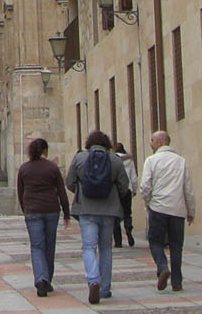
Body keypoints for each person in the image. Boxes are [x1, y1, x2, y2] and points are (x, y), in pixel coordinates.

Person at [65, 129, 131, 304]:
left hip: (86, 210)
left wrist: (82, 192)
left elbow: (69, 182)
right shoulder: (115, 161)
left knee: (88, 247)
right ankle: (104, 288)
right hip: (109, 210)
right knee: (106, 248)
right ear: (107, 144)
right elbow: (125, 186)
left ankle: (93, 280)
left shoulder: (80, 158)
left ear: (89, 143)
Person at [137, 129, 196, 292]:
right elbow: (188, 189)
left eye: (152, 141)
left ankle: (162, 267)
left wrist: (148, 203)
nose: (150, 144)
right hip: (177, 210)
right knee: (176, 245)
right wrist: (191, 211)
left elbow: (145, 186)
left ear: (161, 142)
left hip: (158, 208)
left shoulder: (151, 161)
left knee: (155, 242)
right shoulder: (180, 161)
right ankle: (177, 281)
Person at [16, 137, 70, 297]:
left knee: (37, 246)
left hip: (32, 211)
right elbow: (61, 191)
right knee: (49, 245)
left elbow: (21, 192)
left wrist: (25, 209)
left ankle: (41, 278)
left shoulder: (24, 169)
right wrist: (67, 213)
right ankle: (47, 280)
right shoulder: (52, 168)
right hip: (51, 210)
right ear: (45, 151)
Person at [111, 141, 137, 248]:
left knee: (115, 216)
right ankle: (128, 229)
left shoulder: (112, 160)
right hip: (127, 190)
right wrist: (134, 190)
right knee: (127, 213)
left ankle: (118, 241)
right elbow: (134, 178)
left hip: (115, 191)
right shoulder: (129, 161)